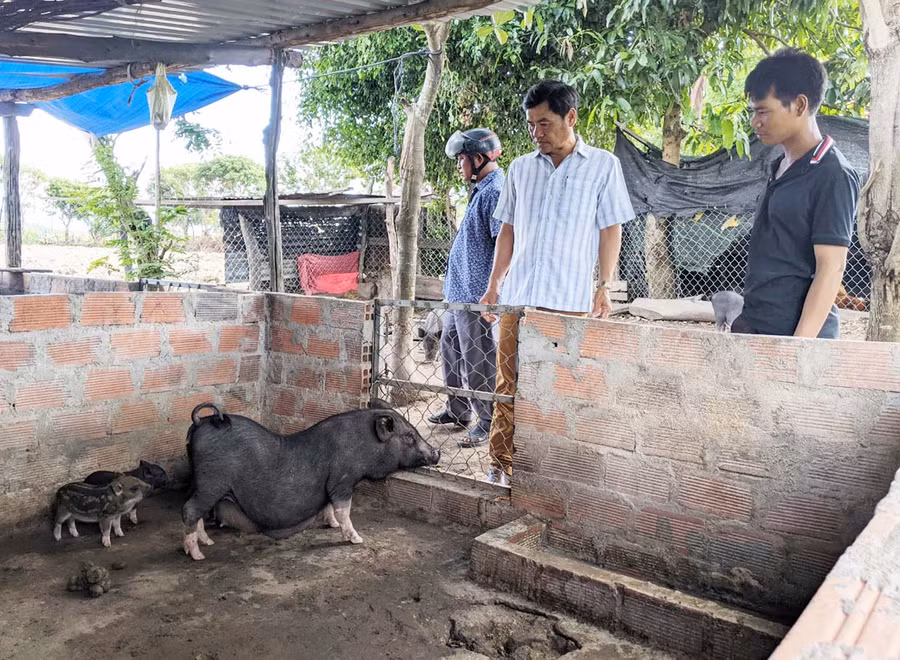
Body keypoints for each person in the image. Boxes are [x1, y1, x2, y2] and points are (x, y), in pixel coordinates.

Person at [480, 80, 635, 486]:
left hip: (568, 302)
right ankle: (501, 466)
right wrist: (494, 284)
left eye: (545, 123)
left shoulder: (603, 166)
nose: (536, 133)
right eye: (531, 125)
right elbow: (508, 231)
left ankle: (553, 472)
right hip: (518, 300)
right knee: (508, 384)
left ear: (571, 117)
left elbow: (610, 229)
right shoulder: (520, 169)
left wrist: (604, 285)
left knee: (562, 386)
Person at [733, 48, 860, 339]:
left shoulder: (832, 173)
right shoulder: (780, 166)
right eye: (754, 112)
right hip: (758, 327)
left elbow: (831, 268)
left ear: (800, 105)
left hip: (797, 339)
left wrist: (799, 348)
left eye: (763, 111)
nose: (755, 122)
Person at [427, 128, 505, 447]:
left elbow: (504, 243)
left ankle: (487, 420)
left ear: (478, 158)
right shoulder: (480, 190)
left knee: (478, 358)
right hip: (458, 293)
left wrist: (493, 290)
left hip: (477, 295)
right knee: (450, 348)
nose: (459, 165)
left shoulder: (495, 191)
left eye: (462, 159)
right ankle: (458, 410)